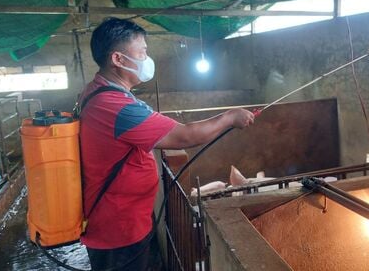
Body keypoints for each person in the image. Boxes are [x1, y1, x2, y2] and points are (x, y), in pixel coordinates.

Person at [78, 17, 254, 270]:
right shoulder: (115, 106)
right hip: (119, 228)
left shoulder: (98, 91)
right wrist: (229, 117)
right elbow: (185, 136)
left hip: (122, 218)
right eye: (142, 52)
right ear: (118, 59)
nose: (147, 59)